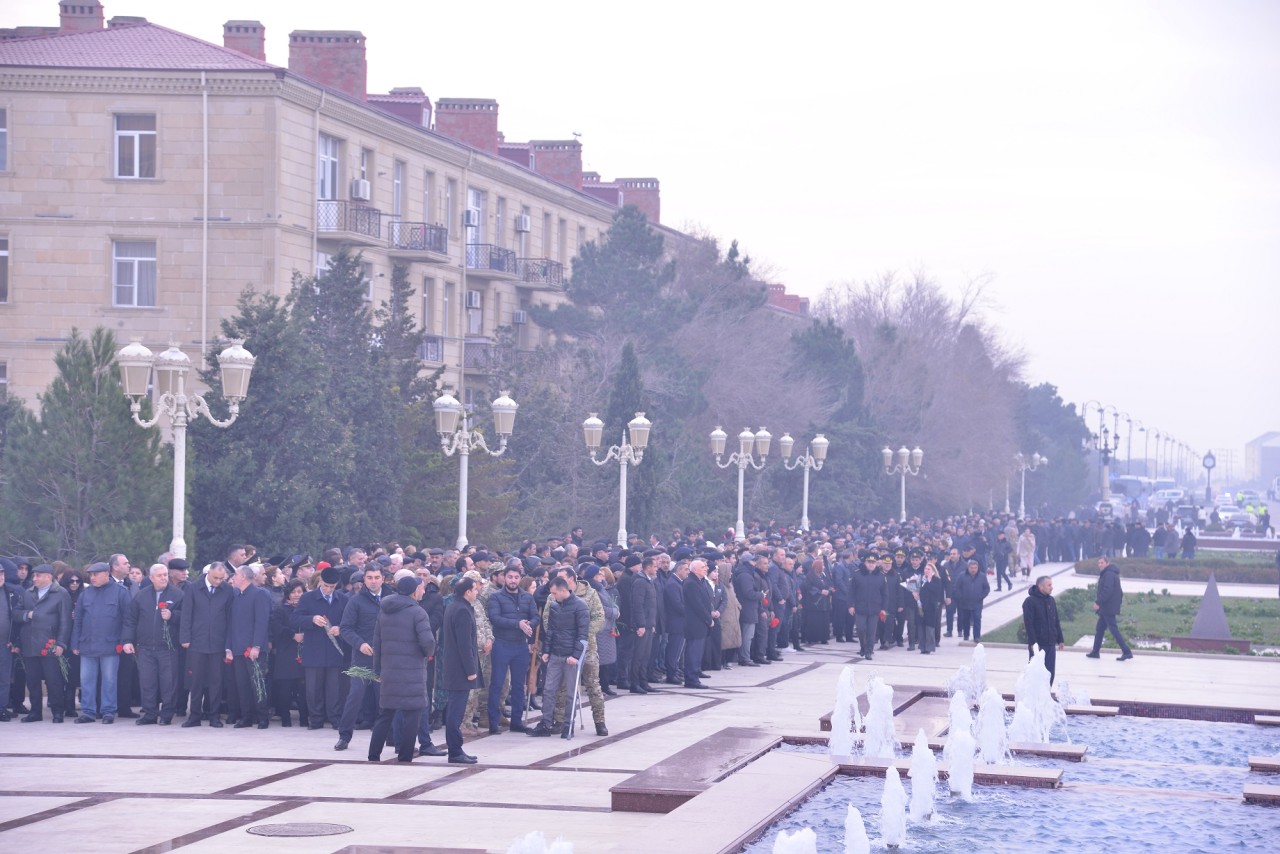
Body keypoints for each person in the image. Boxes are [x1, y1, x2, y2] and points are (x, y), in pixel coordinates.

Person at [368, 575, 436, 763]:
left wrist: (377, 670)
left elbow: (377, 642)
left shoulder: (384, 610)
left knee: (385, 714)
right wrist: (428, 652)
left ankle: (373, 755)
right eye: (421, 588)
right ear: (414, 591)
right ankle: (405, 757)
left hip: (389, 672)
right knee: (412, 714)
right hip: (412, 672)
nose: (423, 591)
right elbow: (428, 642)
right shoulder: (418, 612)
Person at [71, 561, 133, 724]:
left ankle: (108, 712)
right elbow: (77, 620)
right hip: (88, 644)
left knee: (109, 680)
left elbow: (128, 619)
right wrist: (75, 643)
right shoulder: (86, 593)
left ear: (107, 574)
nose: (92, 578)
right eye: (90, 575)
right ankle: (88, 712)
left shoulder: (121, 592)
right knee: (86, 680)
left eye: (96, 574)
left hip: (110, 645)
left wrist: (126, 640)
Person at [123, 563, 183, 725]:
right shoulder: (141, 596)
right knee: (147, 682)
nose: (163, 578)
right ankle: (150, 714)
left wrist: (173, 616)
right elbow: (131, 620)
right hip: (145, 647)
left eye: (165, 574)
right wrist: (128, 640)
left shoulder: (178, 595)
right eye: (159, 575)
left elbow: (186, 618)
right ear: (151, 578)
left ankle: (167, 714)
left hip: (168, 648)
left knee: (168, 683)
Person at [336, 564, 387, 750]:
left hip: (385, 659)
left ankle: (389, 735)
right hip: (362, 660)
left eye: (376, 577)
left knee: (385, 698)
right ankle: (344, 735)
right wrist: (360, 644)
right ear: (364, 580)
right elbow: (345, 628)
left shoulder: (390, 599)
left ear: (383, 578)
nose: (373, 581)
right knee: (355, 696)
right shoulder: (356, 601)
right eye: (370, 578)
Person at [293, 565, 350, 730]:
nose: (328, 589)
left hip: (335, 651)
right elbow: (295, 619)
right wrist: (311, 619)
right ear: (320, 582)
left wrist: (340, 628)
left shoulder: (343, 599)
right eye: (325, 586)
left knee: (335, 689)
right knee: (313, 688)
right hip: (314, 650)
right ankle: (316, 720)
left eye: (332, 587)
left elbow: (350, 622)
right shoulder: (307, 598)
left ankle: (335, 718)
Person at [14, 564, 72, 722]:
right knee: (32, 680)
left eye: (38, 576)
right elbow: (16, 614)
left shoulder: (61, 594)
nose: (34, 578)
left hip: (50, 644)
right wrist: (27, 614)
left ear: (48, 576)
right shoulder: (28, 593)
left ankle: (58, 712)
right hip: (30, 643)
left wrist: (61, 644)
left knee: (53, 680)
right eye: (33, 576)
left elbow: (65, 622)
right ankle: (35, 712)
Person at [531, 576, 588, 736]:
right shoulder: (555, 605)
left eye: (555, 593)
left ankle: (568, 726)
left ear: (564, 591)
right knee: (549, 690)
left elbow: (582, 634)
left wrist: (576, 656)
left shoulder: (580, 606)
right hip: (555, 654)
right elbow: (551, 630)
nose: (552, 596)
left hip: (571, 656)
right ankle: (546, 724)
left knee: (570, 693)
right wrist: (547, 651)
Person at [486, 563, 539, 735]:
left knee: (518, 685)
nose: (513, 580)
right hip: (502, 644)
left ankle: (517, 721)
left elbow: (535, 616)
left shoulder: (527, 597)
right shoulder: (495, 597)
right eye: (510, 577)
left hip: (520, 646)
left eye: (516, 577)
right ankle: (493, 722)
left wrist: (529, 625)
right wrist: (518, 624)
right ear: (504, 578)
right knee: (497, 684)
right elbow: (495, 618)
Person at [180, 562, 234, 727]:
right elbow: (186, 614)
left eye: (221, 578)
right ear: (208, 574)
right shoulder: (193, 588)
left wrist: (228, 644)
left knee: (216, 682)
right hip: (197, 642)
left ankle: (214, 716)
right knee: (196, 681)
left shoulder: (227, 590)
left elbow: (229, 617)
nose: (218, 581)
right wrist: (185, 637)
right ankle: (194, 716)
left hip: (218, 643)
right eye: (215, 578)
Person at [441, 576, 482, 764]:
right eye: (475, 589)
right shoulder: (462, 610)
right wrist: (471, 669)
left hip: (454, 667)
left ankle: (456, 749)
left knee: (455, 710)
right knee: (455, 712)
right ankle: (455, 751)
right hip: (460, 670)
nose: (477, 592)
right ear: (467, 592)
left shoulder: (454, 606)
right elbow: (465, 644)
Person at [228, 564, 273, 728]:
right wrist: (229, 647)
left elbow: (261, 622)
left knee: (258, 683)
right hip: (238, 647)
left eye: (236, 575)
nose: (233, 577)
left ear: (244, 577)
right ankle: (246, 716)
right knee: (242, 684)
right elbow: (231, 624)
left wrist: (256, 646)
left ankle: (262, 716)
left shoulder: (259, 594)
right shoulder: (237, 596)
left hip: (254, 649)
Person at [1086, 556, 1133, 661]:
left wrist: (1098, 602)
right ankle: (1095, 652)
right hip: (1107, 607)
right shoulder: (1109, 573)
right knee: (1100, 629)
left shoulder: (1109, 574)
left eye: (1101, 563)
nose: (1099, 565)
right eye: (1098, 563)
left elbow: (1107, 590)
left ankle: (1126, 652)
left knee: (1113, 629)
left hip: (1108, 607)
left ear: (1107, 563)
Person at [1022, 575, 1066, 683]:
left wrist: (1060, 639)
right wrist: (1034, 643)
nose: (1052, 587)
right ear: (1041, 587)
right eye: (1049, 585)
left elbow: (1056, 621)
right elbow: (1029, 624)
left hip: (1051, 644)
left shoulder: (1051, 600)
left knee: (1050, 673)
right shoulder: (1030, 602)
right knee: (1035, 673)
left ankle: (1046, 696)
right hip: (1038, 645)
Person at [681, 559, 715, 689]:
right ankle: (691, 679)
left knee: (697, 652)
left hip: (700, 623)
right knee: (693, 652)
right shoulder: (691, 583)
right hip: (694, 623)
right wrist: (708, 619)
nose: (706, 568)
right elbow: (697, 605)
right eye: (702, 567)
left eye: (706, 566)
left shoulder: (700, 581)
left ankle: (694, 675)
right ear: (694, 569)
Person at [954, 559, 991, 642]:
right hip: (965, 602)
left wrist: (981, 596)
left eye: (975, 568)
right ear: (968, 567)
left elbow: (986, 588)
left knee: (977, 619)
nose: (973, 569)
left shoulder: (982, 576)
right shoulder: (962, 576)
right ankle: (966, 635)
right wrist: (961, 597)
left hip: (977, 603)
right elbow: (956, 588)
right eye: (971, 568)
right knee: (966, 620)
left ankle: (977, 636)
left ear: (977, 568)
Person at [917, 561, 945, 655]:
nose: (926, 570)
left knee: (929, 628)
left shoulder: (937, 579)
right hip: (921, 606)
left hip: (931, 606)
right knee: (921, 627)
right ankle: (922, 647)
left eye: (929, 569)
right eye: (925, 569)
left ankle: (929, 647)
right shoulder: (921, 579)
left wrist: (929, 580)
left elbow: (936, 590)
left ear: (933, 570)